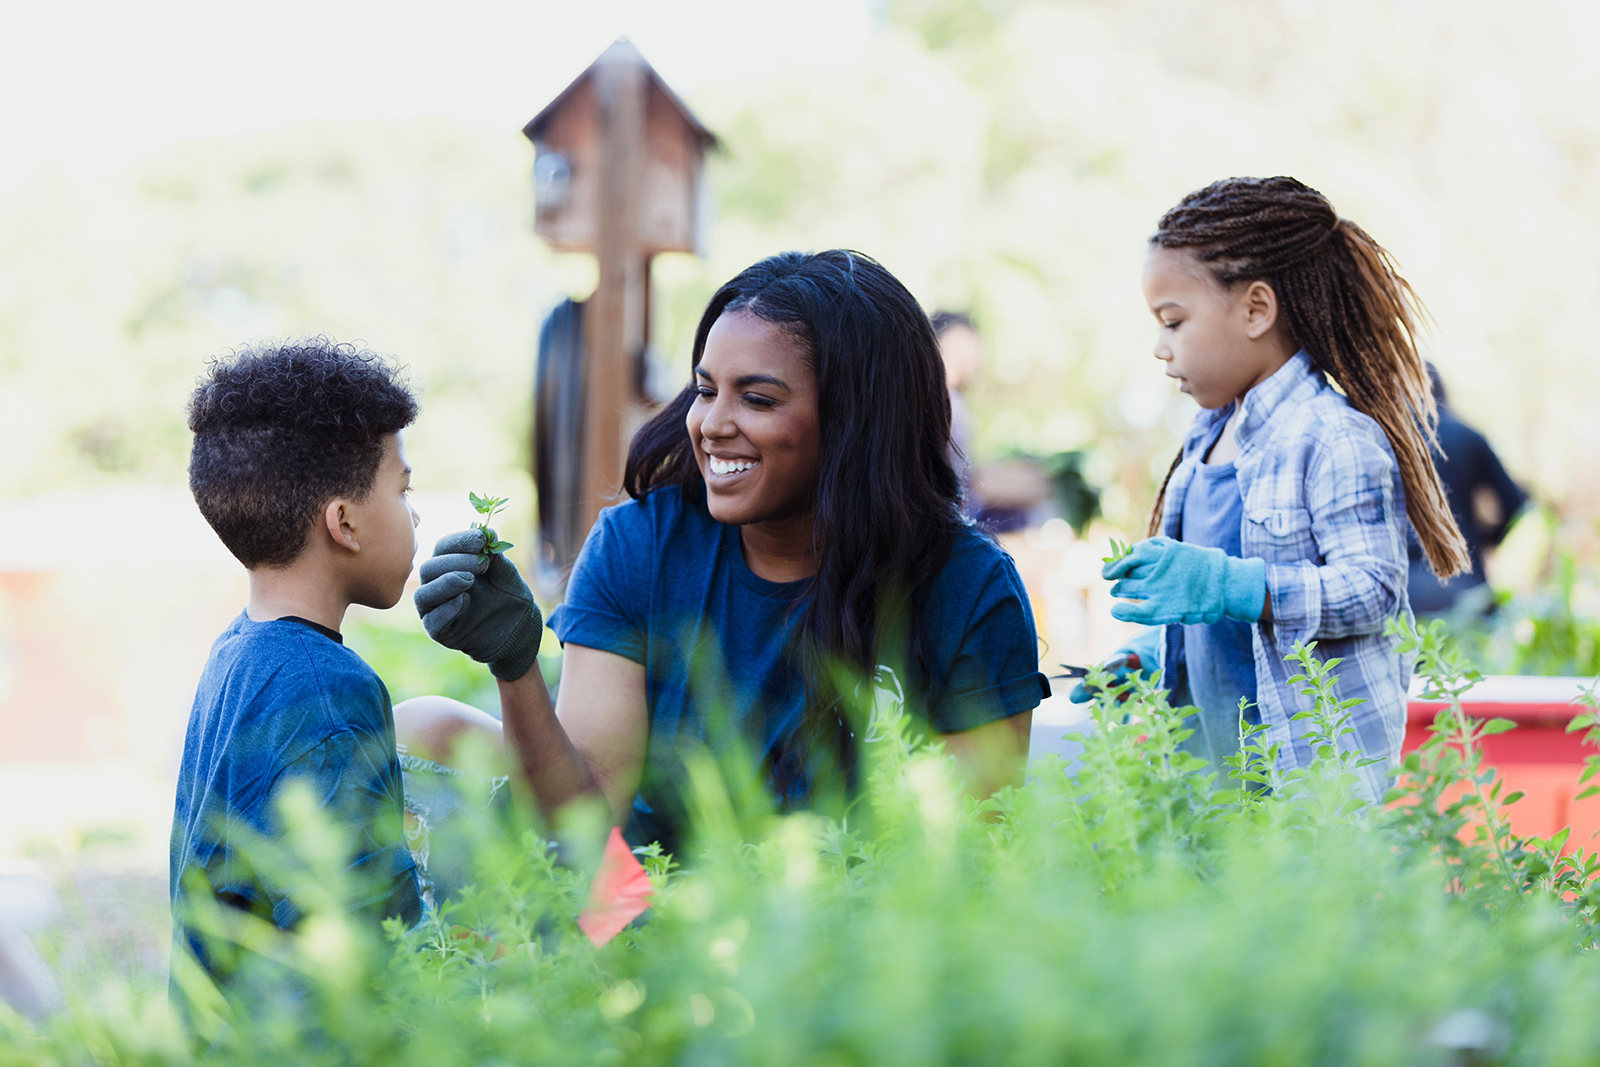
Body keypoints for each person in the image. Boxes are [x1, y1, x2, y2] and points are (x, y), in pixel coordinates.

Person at [404, 251, 1049, 857]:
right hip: (646, 912)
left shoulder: (968, 588)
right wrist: (515, 668)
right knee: (426, 725)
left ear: (857, 420)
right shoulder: (641, 546)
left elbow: (971, 857)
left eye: (758, 399)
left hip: (849, 937)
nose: (711, 424)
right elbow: (589, 822)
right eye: (705, 389)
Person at [1078, 177, 1469, 802]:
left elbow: (1372, 590)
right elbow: (1215, 629)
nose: (1159, 347)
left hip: (1310, 796)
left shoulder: (1333, 438)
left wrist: (1237, 586)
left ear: (1257, 309)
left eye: (1174, 321)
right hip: (1211, 791)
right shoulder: (1203, 444)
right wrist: (1154, 657)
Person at [171, 339, 425, 992]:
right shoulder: (328, 690)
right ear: (344, 521)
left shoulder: (239, 649)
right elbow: (371, 955)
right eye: (402, 489)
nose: (414, 513)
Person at [1406, 363, 1528, 614]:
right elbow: (1518, 505)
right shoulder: (1467, 436)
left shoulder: (1385, 438)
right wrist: (1486, 538)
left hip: (1407, 584)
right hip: (1466, 577)